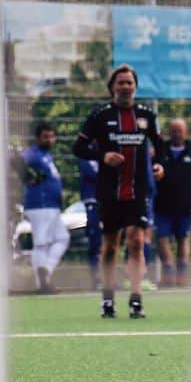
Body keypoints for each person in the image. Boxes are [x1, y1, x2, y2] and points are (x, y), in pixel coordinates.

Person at [72, 64, 164, 319]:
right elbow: (78, 148)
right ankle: (108, 299)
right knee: (110, 246)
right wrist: (103, 155)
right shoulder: (100, 115)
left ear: (135, 87)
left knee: (136, 241)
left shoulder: (146, 115)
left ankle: (136, 300)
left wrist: (159, 165)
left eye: (129, 83)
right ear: (112, 87)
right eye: (120, 83)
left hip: (138, 191)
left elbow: (161, 146)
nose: (125, 87)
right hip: (110, 192)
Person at [155, 117, 191, 287]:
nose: (177, 133)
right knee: (162, 237)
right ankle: (168, 271)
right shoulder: (161, 151)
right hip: (162, 203)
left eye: (180, 130)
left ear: (186, 132)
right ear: (170, 131)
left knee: (183, 238)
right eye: (174, 130)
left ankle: (182, 273)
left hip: (185, 204)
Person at [20, 122, 69, 293]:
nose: (49, 140)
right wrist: (26, 177)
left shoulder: (46, 155)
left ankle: (45, 271)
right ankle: (42, 283)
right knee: (42, 243)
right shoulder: (33, 154)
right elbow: (15, 159)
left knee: (62, 238)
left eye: (52, 136)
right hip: (40, 203)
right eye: (45, 136)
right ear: (38, 138)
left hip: (51, 204)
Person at [77, 152, 102, 290]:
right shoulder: (86, 154)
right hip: (93, 201)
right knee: (95, 240)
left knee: (110, 240)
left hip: (108, 201)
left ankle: (107, 277)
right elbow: (94, 174)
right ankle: (96, 277)